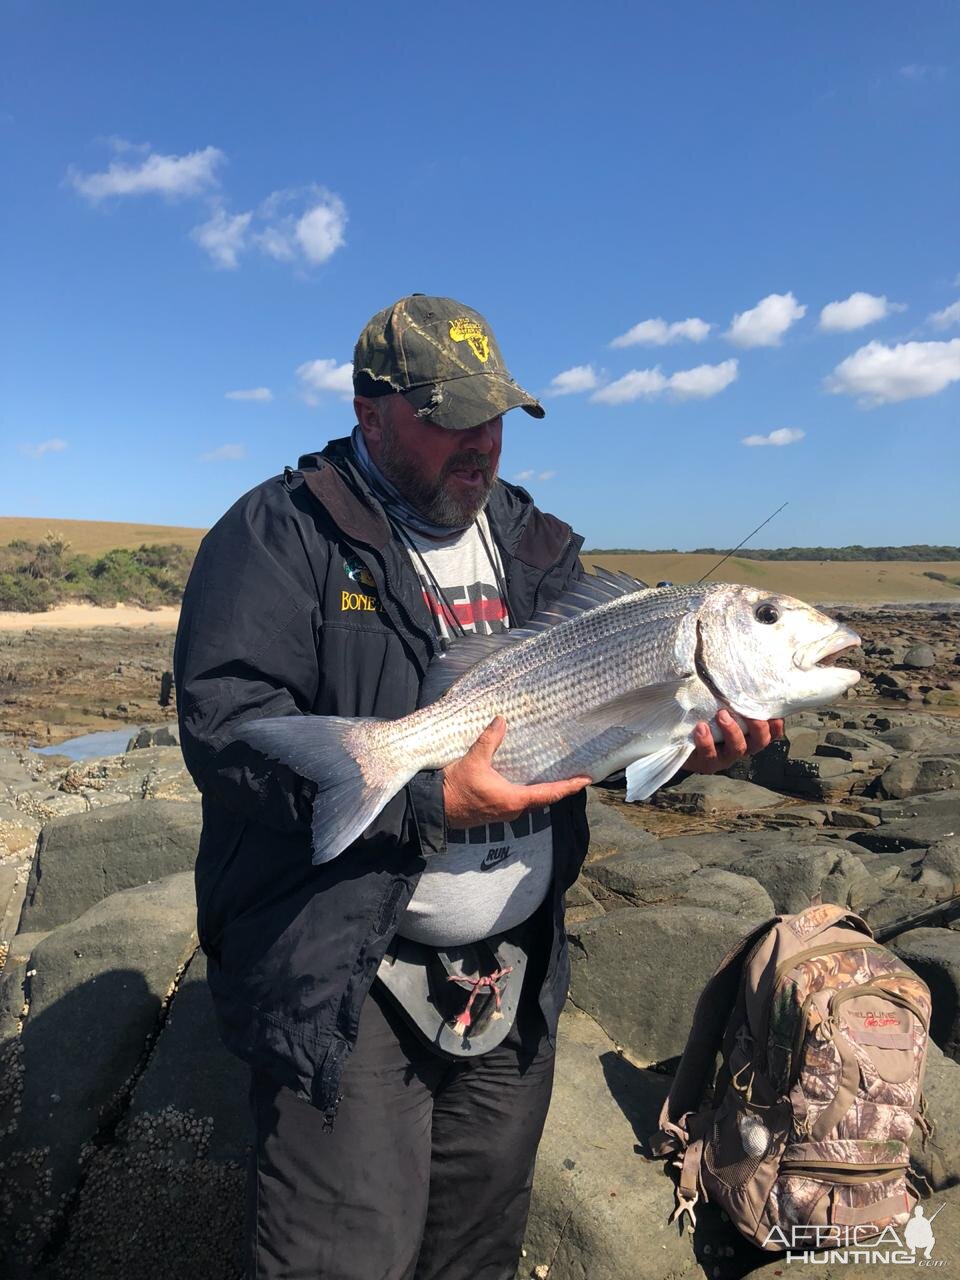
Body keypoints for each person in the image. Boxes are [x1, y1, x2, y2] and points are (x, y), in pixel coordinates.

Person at [173, 293, 782, 1280]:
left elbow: (605, 726)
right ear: (371, 410)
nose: (482, 442)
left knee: (477, 1254)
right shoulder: (277, 536)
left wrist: (685, 744)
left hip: (513, 977)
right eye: (450, 416)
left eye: (495, 416)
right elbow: (227, 732)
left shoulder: (537, 543)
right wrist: (430, 802)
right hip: (348, 978)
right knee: (342, 1257)